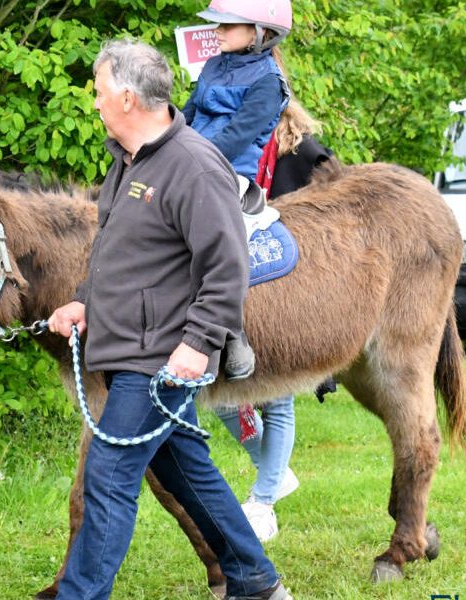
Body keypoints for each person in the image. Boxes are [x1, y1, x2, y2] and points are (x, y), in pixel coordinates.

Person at [46, 38, 292, 600]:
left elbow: (227, 268)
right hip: (130, 344)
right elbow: (119, 252)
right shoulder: (127, 162)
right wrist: (85, 299)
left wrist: (199, 342)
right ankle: (254, 581)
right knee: (184, 470)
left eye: (101, 91)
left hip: (160, 357)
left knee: (108, 478)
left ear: (128, 98)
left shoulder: (193, 166)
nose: (96, 103)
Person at [214, 98, 334, 542]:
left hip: (285, 278)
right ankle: (275, 472)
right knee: (225, 392)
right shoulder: (223, 149)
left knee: (278, 392)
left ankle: (264, 497)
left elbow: (331, 205)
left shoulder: (303, 153)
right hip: (236, 278)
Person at [181, 0, 294, 381]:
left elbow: (234, 139)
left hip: (230, 176)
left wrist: (186, 161)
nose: (218, 33)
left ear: (260, 33)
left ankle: (232, 332)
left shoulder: (269, 83)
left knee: (209, 233)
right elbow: (187, 116)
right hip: (188, 165)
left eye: (228, 26)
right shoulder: (213, 66)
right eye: (219, 26)